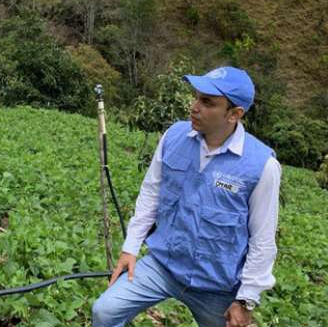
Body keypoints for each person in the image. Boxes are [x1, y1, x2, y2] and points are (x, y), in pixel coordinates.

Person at [92, 67, 281, 327]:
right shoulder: (174, 136)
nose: (194, 107)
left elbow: (263, 239)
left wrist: (246, 299)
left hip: (217, 285)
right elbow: (151, 193)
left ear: (234, 114)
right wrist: (130, 248)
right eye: (197, 97)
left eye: (207, 102)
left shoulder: (261, 166)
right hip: (163, 265)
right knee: (105, 311)